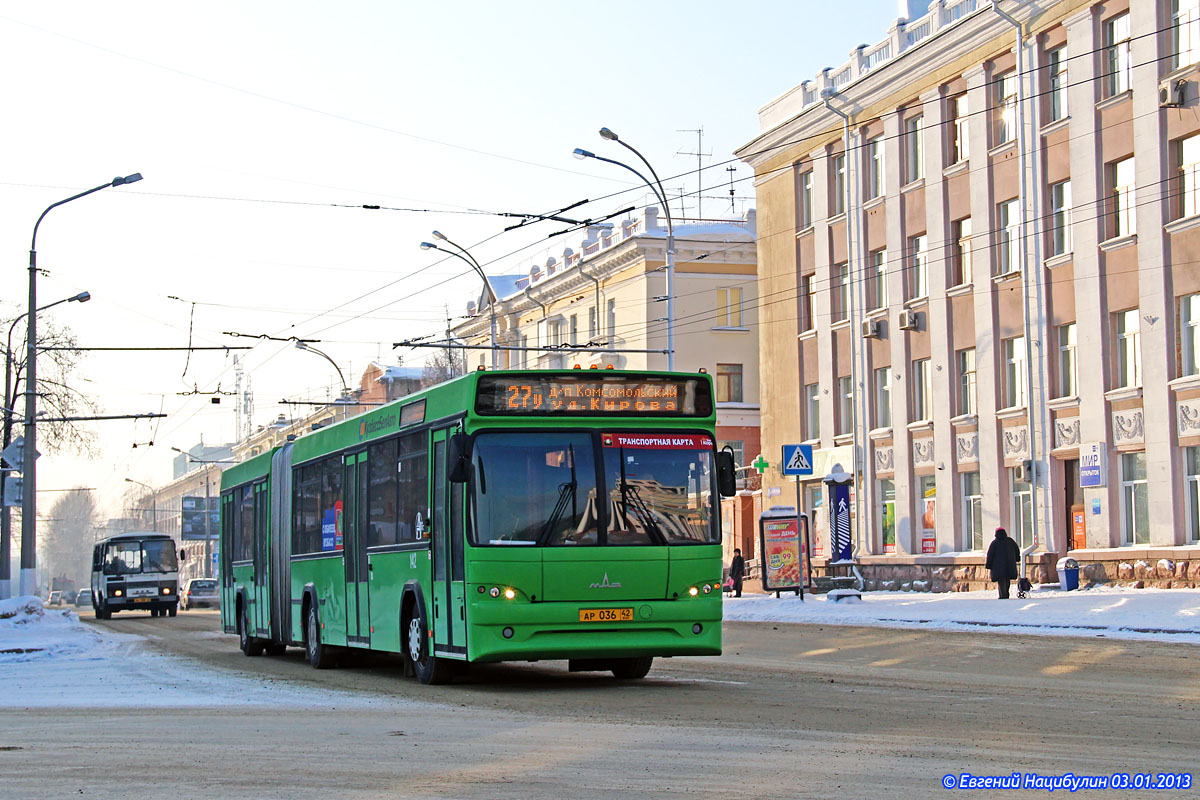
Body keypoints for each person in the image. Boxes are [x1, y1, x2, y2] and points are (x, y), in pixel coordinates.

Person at [985, 527, 1020, 599]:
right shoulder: (1010, 541)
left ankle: (1002, 595)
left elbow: (990, 555)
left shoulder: (994, 543)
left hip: (998, 567)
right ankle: (1006, 594)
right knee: (1007, 580)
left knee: (1001, 581)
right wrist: (1017, 558)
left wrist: (988, 564)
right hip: (1009, 566)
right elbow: (1017, 550)